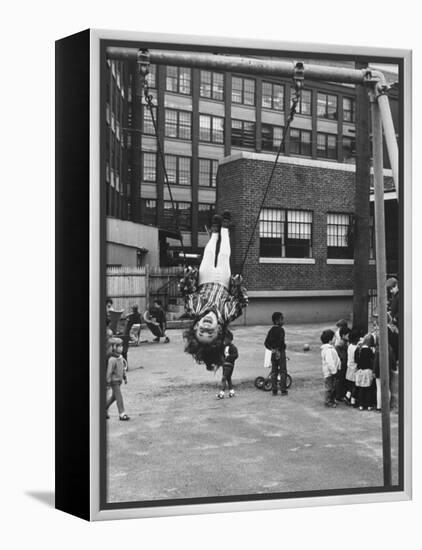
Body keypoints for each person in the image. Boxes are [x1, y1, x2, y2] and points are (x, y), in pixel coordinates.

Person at [180, 211, 248, 370]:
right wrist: (237, 285)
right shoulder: (228, 314)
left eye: (201, 332)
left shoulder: (193, 309)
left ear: (196, 327)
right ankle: (225, 227)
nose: (205, 329)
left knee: (209, 254)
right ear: (219, 331)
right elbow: (240, 301)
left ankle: (215, 232)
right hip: (223, 281)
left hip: (205, 278)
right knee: (224, 254)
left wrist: (188, 277)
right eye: (209, 334)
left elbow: (187, 291)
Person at [264, 312, 288, 396]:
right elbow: (281, 341)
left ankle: (274, 390)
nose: (283, 321)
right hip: (280, 352)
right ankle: (283, 390)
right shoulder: (281, 330)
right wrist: (279, 349)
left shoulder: (271, 330)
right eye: (282, 319)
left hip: (273, 353)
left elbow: (266, 343)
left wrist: (272, 349)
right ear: (277, 321)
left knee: (274, 371)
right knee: (283, 371)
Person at [106, 337, 130, 421]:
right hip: (114, 381)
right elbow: (109, 372)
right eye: (119, 346)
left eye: (121, 346)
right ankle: (122, 413)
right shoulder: (112, 360)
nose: (121, 347)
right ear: (113, 347)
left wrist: (124, 377)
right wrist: (108, 382)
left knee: (114, 397)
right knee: (119, 397)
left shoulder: (120, 357)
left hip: (119, 380)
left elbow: (123, 368)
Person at [354, 333, 376, 411]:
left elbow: (356, 360)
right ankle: (369, 405)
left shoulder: (359, 349)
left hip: (360, 371)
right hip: (368, 371)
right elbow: (372, 361)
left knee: (361, 389)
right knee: (368, 389)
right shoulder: (370, 351)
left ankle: (361, 405)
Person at [320, 329, 340, 407]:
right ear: (330, 339)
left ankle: (332, 400)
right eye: (334, 337)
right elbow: (330, 362)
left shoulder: (329, 348)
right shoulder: (328, 350)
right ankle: (328, 401)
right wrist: (334, 371)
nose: (335, 339)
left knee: (333, 387)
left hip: (331, 371)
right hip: (330, 372)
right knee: (329, 387)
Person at [217, 330, 239, 399]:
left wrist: (228, 358)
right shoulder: (223, 347)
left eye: (226, 338)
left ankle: (222, 393)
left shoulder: (233, 347)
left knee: (224, 378)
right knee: (228, 378)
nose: (225, 340)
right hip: (224, 365)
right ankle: (231, 391)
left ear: (230, 339)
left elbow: (236, 355)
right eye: (224, 338)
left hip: (229, 365)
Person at [344, 328, 361, 407]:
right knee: (355, 386)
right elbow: (357, 360)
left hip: (349, 367)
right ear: (356, 339)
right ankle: (352, 401)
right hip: (354, 368)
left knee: (350, 385)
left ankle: (347, 396)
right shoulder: (356, 349)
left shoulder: (350, 346)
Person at [335, 326, 350, 402]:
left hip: (343, 365)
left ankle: (340, 395)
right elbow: (342, 356)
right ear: (343, 335)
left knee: (342, 381)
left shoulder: (344, 343)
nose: (349, 336)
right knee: (340, 381)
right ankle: (339, 395)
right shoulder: (340, 344)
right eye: (348, 335)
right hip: (342, 366)